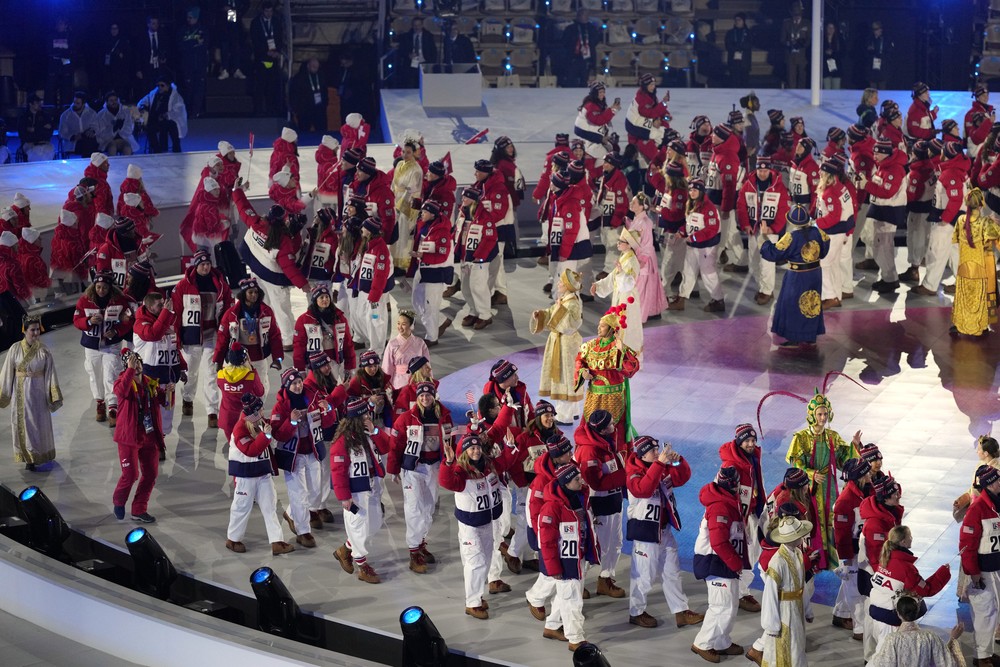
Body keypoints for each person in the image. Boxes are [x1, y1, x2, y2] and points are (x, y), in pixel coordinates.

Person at [625, 435, 704, 629]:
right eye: (653, 451)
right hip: (645, 534)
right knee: (643, 576)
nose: (658, 453)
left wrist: (677, 461)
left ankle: (681, 611)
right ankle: (636, 612)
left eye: (657, 450)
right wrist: (660, 464)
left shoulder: (659, 467)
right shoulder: (634, 473)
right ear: (643, 455)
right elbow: (643, 489)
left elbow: (682, 477)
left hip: (664, 530)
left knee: (673, 572)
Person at [785, 387, 861, 572]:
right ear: (812, 415)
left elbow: (844, 461)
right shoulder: (801, 438)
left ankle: (833, 558)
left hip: (829, 486)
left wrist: (854, 446)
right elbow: (795, 463)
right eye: (819, 414)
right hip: (810, 487)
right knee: (814, 520)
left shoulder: (832, 437)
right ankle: (816, 558)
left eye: (825, 413)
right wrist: (811, 474)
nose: (823, 418)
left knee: (832, 517)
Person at [439, 433, 511, 618]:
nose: (476, 451)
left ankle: (476, 596)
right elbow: (446, 482)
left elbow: (506, 463)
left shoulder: (489, 466)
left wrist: (510, 447)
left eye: (478, 447)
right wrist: (447, 463)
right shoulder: (460, 470)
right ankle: (472, 603)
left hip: (487, 521)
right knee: (475, 563)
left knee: (485, 560)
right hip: (471, 526)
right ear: (464, 452)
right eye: (471, 448)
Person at [388, 381, 452, 573]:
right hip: (413, 469)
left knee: (429, 507)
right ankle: (414, 551)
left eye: (428, 395)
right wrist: (393, 469)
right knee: (414, 508)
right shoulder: (407, 418)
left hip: (434, 467)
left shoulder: (445, 416)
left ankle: (421, 542)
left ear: (434, 396)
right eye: (421, 396)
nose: (425, 399)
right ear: (417, 398)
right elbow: (396, 444)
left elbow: (452, 443)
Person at [235, 181, 310, 339]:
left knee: (265, 306)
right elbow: (289, 266)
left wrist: (237, 191)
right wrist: (303, 284)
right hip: (274, 279)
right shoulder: (283, 241)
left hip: (256, 271)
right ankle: (288, 338)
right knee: (281, 308)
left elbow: (244, 208)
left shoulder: (256, 222)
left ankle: (266, 333)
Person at [537, 462, 599, 651]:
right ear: (565, 483)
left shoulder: (580, 496)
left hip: (577, 557)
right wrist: (553, 568)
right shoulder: (551, 508)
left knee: (567, 596)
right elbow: (546, 543)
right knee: (572, 599)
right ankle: (576, 639)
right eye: (576, 479)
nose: (581, 481)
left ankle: (552, 626)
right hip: (565, 562)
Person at [330, 396, 391, 582]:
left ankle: (345, 549)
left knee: (374, 523)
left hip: (372, 485)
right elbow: (337, 471)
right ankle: (362, 565)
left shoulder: (368, 432)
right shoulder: (342, 442)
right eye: (363, 415)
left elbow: (387, 446)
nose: (367, 417)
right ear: (355, 418)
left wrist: (375, 432)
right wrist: (344, 497)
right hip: (355, 491)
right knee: (358, 526)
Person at [691, 466, 748, 663]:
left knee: (730, 605)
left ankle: (721, 641)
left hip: (724, 562)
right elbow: (719, 542)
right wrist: (736, 564)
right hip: (716, 562)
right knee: (720, 606)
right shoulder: (720, 507)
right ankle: (703, 643)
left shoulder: (727, 501)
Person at [226, 393, 294, 555]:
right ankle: (233, 539)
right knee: (241, 507)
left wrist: (291, 421)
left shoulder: (259, 422)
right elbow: (251, 451)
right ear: (254, 412)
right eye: (261, 410)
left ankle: (277, 541)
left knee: (270, 506)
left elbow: (277, 432)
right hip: (246, 476)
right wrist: (266, 435)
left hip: (263, 472)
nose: (264, 412)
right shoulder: (240, 429)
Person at [172, 250, 232, 428]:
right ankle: (187, 398)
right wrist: (177, 337)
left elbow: (228, 306)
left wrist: (227, 332)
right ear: (195, 265)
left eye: (208, 264)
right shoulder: (183, 286)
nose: (206, 267)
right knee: (191, 371)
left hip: (212, 334)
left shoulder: (220, 283)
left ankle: (212, 410)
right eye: (202, 264)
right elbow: (176, 313)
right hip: (191, 335)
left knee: (211, 372)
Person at [868, 525, 951, 653]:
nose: (912, 538)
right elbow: (925, 590)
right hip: (891, 620)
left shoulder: (886, 558)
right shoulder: (906, 567)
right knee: (886, 655)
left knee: (881, 652)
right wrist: (943, 573)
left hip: (876, 614)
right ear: (903, 542)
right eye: (910, 536)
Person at [573, 410, 627, 598]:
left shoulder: (607, 443)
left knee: (616, 543)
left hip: (614, 501)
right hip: (599, 504)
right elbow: (595, 483)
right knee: (596, 547)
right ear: (603, 429)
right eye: (611, 423)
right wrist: (624, 475)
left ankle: (606, 579)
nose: (615, 426)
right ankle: (576, 583)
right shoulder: (589, 450)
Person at [760, 204, 830, 348]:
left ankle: (794, 337)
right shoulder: (818, 232)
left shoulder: (790, 237)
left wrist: (764, 237)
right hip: (815, 273)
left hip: (797, 276)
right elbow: (825, 247)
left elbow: (773, 253)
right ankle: (810, 336)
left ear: (791, 221)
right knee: (811, 302)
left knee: (793, 304)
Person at [270, 369, 325, 549]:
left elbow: (328, 421)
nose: (298, 385)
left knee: (315, 489)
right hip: (293, 457)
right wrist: (291, 421)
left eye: (299, 382)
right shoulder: (280, 407)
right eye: (293, 383)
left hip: (312, 451)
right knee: (299, 494)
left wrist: (328, 409)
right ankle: (303, 532)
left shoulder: (312, 398)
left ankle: (290, 513)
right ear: (287, 385)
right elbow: (277, 434)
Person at [0, 316, 62, 470]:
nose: (35, 333)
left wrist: (52, 395)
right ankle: (29, 458)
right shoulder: (15, 349)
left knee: (39, 425)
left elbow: (50, 374)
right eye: (32, 330)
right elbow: (7, 372)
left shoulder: (44, 351)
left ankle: (39, 454)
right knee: (25, 424)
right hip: (22, 395)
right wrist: (4, 393)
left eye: (37, 330)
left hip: (39, 394)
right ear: (25, 330)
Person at [111, 348, 164, 522]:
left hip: (148, 436)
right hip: (129, 438)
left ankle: (139, 509)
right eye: (133, 363)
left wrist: (169, 391)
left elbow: (166, 402)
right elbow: (120, 392)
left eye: (138, 362)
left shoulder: (150, 384)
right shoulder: (122, 382)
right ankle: (119, 501)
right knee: (131, 475)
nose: (137, 365)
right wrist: (129, 370)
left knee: (151, 474)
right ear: (126, 366)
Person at [73, 272, 133, 426]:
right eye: (98, 287)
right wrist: (88, 321)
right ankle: (100, 402)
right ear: (94, 286)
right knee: (94, 374)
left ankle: (113, 406)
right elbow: (76, 320)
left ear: (110, 287)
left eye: (104, 287)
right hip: (92, 346)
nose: (101, 290)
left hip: (112, 345)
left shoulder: (119, 300)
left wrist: (117, 330)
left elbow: (128, 319)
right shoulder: (85, 300)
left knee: (111, 374)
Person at [718, 424, 766, 613]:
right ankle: (737, 592)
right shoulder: (730, 465)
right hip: (739, 518)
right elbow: (723, 492)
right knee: (743, 554)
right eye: (747, 441)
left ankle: (741, 589)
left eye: (753, 440)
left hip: (752, 512)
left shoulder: (752, 458)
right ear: (739, 442)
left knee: (753, 552)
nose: (751, 444)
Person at [574, 309, 640, 447]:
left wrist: (623, 350)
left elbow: (632, 369)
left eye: (603, 326)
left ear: (612, 329)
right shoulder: (590, 346)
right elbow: (580, 361)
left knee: (614, 428)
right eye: (599, 325)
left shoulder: (618, 347)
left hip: (614, 397)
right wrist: (583, 372)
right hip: (594, 396)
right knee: (590, 427)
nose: (599, 328)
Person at [531, 269, 584, 425]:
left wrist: (559, 309)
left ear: (568, 286)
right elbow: (552, 313)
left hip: (566, 345)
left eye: (561, 282)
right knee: (566, 376)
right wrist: (541, 314)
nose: (559, 284)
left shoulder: (573, 303)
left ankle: (564, 415)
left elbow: (572, 324)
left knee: (565, 377)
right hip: (560, 342)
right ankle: (573, 410)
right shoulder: (566, 300)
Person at [759, 516, 812, 667]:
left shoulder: (798, 554)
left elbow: (802, 585)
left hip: (797, 609)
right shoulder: (777, 562)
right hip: (784, 613)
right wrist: (771, 625)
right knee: (788, 648)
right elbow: (770, 595)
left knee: (798, 646)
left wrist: (807, 610)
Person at [132, 292, 184, 446]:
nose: (164, 307)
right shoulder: (140, 324)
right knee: (152, 411)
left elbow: (174, 347)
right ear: (149, 308)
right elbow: (153, 334)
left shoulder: (168, 320)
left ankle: (161, 438)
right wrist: (167, 314)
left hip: (169, 377)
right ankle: (153, 443)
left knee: (168, 410)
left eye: (164, 303)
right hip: (151, 379)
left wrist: (181, 367)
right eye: (159, 305)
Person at [960, 464, 1000, 666]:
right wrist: (973, 574)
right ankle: (981, 656)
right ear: (989, 484)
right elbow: (967, 546)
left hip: (997, 567)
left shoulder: (996, 503)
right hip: (983, 571)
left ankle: (988, 651)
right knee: (985, 613)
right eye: (997, 480)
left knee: (995, 612)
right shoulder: (977, 509)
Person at [737, 155, 790, 306]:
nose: (762, 174)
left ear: (769, 170)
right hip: (753, 228)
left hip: (770, 230)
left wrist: (773, 229)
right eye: (760, 171)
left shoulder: (779, 187)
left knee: (767, 262)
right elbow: (741, 206)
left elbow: (783, 210)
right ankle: (763, 287)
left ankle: (767, 291)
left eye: (765, 170)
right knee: (753, 261)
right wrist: (745, 224)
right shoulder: (748, 185)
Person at [667, 178, 725, 312]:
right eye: (691, 190)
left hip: (706, 247)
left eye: (695, 190)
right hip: (693, 245)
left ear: (701, 191)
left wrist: (693, 237)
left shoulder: (709, 208)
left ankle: (718, 300)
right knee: (688, 271)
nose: (692, 192)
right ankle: (681, 298)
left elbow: (711, 230)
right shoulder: (692, 204)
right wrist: (682, 231)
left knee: (708, 274)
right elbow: (689, 224)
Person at [831, 458, 873, 636]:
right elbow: (841, 536)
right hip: (852, 552)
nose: (871, 475)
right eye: (867, 473)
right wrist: (846, 561)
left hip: (864, 550)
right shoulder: (845, 501)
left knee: (851, 585)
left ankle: (840, 613)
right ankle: (859, 628)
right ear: (860, 477)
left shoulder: (867, 491)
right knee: (855, 591)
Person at [952, 188, 999, 336]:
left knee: (964, 295)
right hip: (981, 267)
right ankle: (979, 325)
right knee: (980, 298)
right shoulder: (986, 223)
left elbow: (956, 240)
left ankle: (961, 324)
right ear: (981, 206)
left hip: (965, 266)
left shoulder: (960, 220)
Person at [869, 595, 965, 667]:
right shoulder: (930, 637)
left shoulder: (892, 639)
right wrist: (952, 639)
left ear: (898, 613)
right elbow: (946, 661)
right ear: (917, 611)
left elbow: (882, 664)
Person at [292, 283, 354, 383]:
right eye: (321, 297)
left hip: (335, 362)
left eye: (327, 297)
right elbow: (299, 345)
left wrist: (349, 367)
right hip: (314, 365)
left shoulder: (339, 317)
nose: (325, 299)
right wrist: (300, 369)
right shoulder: (304, 319)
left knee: (335, 391)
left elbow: (348, 343)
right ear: (315, 300)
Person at [626, 193, 666, 321]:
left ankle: (639, 315)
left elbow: (647, 244)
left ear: (642, 207)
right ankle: (652, 311)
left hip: (644, 258)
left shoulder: (644, 222)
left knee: (641, 287)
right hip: (641, 256)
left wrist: (642, 259)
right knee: (648, 285)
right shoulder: (638, 220)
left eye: (634, 203)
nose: (631, 204)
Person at [216, 342, 263, 442]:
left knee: (232, 446)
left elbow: (220, 386)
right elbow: (260, 392)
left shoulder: (221, 376)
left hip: (227, 418)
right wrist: (253, 370)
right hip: (246, 420)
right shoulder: (250, 377)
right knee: (245, 447)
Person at [392, 138, 425, 269]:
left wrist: (401, 205)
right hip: (397, 198)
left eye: (408, 152)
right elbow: (393, 184)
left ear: (414, 153)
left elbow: (411, 190)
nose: (405, 154)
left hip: (409, 203)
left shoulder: (416, 170)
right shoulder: (399, 164)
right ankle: (395, 259)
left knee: (404, 233)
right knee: (396, 232)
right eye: (403, 151)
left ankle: (402, 263)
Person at [250, 2, 285, 116]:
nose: (269, 14)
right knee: (260, 86)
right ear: (262, 11)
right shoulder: (255, 23)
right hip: (261, 59)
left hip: (273, 59)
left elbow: (280, 37)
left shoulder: (276, 21)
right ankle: (258, 111)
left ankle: (272, 111)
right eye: (266, 11)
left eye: (270, 11)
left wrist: (277, 52)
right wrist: (266, 52)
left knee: (272, 86)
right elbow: (255, 41)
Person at [381, 310, 430, 393]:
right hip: (399, 380)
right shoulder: (392, 344)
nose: (400, 327)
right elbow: (387, 365)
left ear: (411, 325)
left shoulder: (420, 342)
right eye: (398, 323)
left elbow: (427, 364)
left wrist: (429, 379)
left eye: (403, 324)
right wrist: (386, 382)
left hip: (417, 378)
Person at [138, 76, 188, 153]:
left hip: (169, 119)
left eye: (162, 85)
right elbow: (145, 100)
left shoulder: (175, 96)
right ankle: (156, 149)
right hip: (155, 119)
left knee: (171, 126)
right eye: (158, 85)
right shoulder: (154, 93)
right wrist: (142, 106)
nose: (159, 87)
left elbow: (178, 111)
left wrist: (166, 115)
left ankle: (176, 149)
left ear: (168, 86)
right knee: (149, 127)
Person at [573, 82, 619, 159]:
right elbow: (599, 120)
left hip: (595, 139)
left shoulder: (599, 103)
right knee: (607, 158)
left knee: (612, 150)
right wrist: (613, 110)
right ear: (595, 93)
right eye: (600, 92)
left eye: (603, 92)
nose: (603, 94)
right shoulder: (590, 106)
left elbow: (604, 121)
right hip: (588, 142)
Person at [178, 7, 208, 117]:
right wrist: (194, 42)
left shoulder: (203, 30)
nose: (188, 19)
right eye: (187, 17)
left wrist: (191, 45)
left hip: (200, 65)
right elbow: (180, 46)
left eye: (191, 17)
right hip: (187, 65)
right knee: (188, 89)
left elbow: (204, 45)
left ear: (196, 18)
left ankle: (196, 111)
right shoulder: (182, 30)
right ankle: (187, 111)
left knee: (199, 89)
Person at [561, 9, 600, 88]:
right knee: (571, 81)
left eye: (585, 15)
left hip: (587, 58)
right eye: (581, 15)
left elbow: (596, 40)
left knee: (585, 81)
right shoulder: (571, 28)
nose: (583, 17)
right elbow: (565, 42)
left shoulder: (591, 28)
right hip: (573, 57)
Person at [396, 16, 437, 89]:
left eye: (418, 25)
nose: (417, 27)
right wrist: (408, 55)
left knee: (425, 85)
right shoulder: (406, 37)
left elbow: (433, 51)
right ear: (412, 26)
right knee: (411, 83)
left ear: (422, 25)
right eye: (415, 25)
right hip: (411, 63)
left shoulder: (428, 36)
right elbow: (401, 51)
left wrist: (431, 63)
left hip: (424, 62)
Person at [289, 58, 328, 133]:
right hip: (304, 109)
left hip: (319, 109)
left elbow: (324, 90)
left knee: (321, 131)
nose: (315, 68)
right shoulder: (299, 78)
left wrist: (325, 103)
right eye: (313, 66)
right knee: (304, 131)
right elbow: (294, 94)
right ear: (308, 66)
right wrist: (295, 108)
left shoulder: (321, 76)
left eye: (317, 67)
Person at [96, 92, 137, 156]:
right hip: (109, 140)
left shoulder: (125, 112)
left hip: (124, 139)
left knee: (127, 148)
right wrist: (113, 129)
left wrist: (121, 127)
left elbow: (130, 129)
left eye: (115, 100)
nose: (114, 102)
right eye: (111, 100)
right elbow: (100, 132)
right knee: (112, 148)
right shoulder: (101, 115)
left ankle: (126, 165)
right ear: (106, 102)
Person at [58, 92, 99, 157]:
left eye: (78, 103)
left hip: (89, 140)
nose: (75, 105)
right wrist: (73, 137)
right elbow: (62, 132)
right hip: (73, 144)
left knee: (90, 143)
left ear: (83, 104)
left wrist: (92, 131)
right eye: (74, 102)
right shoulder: (65, 115)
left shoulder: (92, 113)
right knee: (89, 146)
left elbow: (96, 126)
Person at [217, 0, 249, 81]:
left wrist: (239, 12)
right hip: (223, 22)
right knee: (225, 47)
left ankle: (236, 69)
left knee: (236, 46)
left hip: (235, 21)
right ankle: (225, 69)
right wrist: (222, 8)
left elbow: (246, 4)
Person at [17, 96, 55, 162]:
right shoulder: (24, 117)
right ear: (30, 104)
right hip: (30, 144)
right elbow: (23, 133)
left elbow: (49, 131)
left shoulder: (45, 116)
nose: (40, 104)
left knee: (48, 152)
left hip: (45, 143)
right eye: (37, 103)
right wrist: (41, 128)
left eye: (40, 102)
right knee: (36, 154)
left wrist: (34, 129)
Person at [781, 3, 809, 89]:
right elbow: (782, 39)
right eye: (795, 14)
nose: (797, 16)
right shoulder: (786, 23)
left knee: (802, 78)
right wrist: (789, 43)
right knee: (791, 78)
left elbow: (809, 39)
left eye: (798, 14)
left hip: (802, 56)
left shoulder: (807, 23)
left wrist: (801, 43)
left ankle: (801, 96)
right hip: (790, 55)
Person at [136, 16, 169, 88]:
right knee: (147, 88)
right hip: (147, 67)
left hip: (159, 66)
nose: (156, 25)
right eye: (153, 23)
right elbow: (138, 54)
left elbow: (166, 49)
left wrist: (164, 58)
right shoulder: (142, 37)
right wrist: (138, 69)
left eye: (157, 23)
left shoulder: (162, 35)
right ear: (148, 24)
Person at [725, 14, 752, 89]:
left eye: (739, 20)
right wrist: (735, 48)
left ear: (743, 21)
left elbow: (750, 44)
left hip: (744, 61)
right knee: (734, 81)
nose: (737, 22)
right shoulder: (730, 32)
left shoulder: (748, 32)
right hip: (733, 61)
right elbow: (728, 45)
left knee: (744, 82)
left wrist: (740, 47)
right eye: (736, 20)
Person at [865, 22, 891, 89]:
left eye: (877, 29)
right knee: (872, 89)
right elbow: (865, 51)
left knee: (882, 87)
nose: (875, 31)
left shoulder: (885, 39)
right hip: (872, 67)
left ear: (881, 29)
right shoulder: (869, 39)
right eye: (874, 29)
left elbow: (889, 51)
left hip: (882, 67)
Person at [822, 22, 844, 89]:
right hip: (825, 68)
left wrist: (833, 53)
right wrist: (825, 52)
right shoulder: (822, 39)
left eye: (832, 28)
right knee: (826, 89)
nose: (830, 29)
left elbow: (843, 53)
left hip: (836, 68)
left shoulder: (839, 40)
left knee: (836, 89)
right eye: (829, 27)